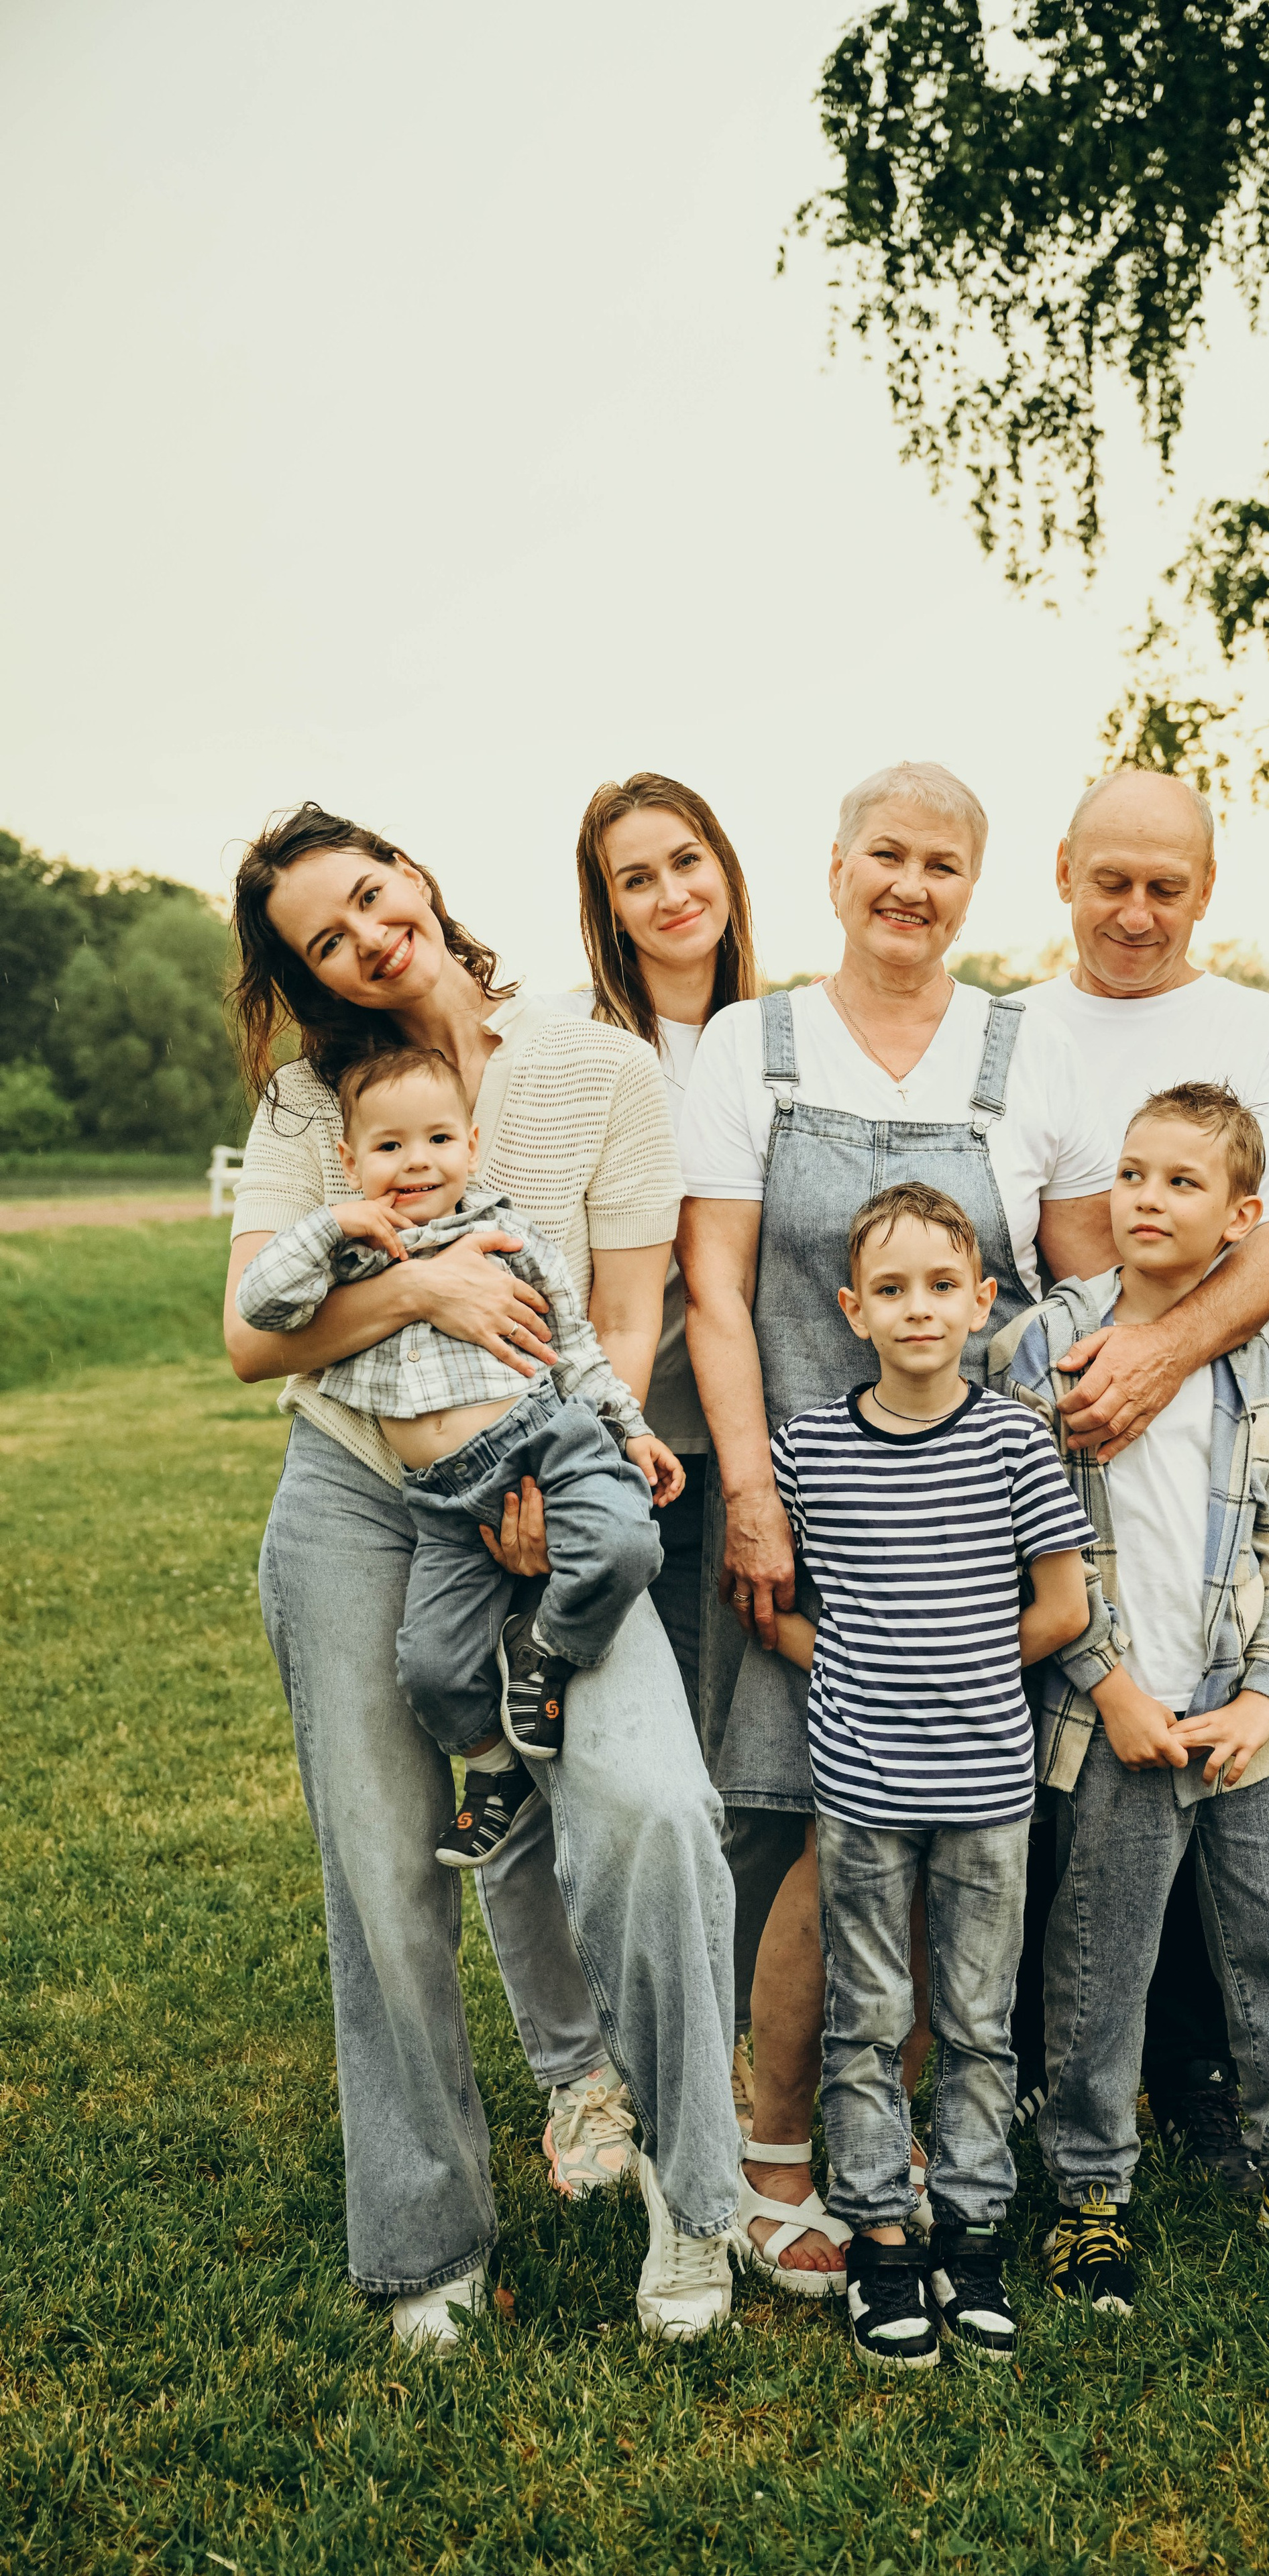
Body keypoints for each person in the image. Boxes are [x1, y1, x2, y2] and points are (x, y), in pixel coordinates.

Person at [223, 801, 739, 2351]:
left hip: (549, 1480)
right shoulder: (313, 1103)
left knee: (656, 1806)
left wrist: (558, 1471)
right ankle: (424, 2237)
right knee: (383, 1870)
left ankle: (692, 2196)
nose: (364, 937)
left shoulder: (601, 1066)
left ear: (415, 875)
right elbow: (253, 1335)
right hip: (356, 1490)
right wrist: (424, 1290)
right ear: (308, 975)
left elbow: (625, 1317)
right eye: (323, 938)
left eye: (368, 894)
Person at [677, 760, 1119, 2294]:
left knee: (939, 1836)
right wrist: (753, 1492)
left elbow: (1082, 1297)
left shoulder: (1030, 1050)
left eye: (940, 864)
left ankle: (894, 2143)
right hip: (809, 1509)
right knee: (814, 1837)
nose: (908, 887)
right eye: (885, 855)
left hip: (967, 1531)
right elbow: (714, 1293)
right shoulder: (754, 1045)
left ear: (971, 887)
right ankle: (772, 2144)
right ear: (835, 867)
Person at [993, 1082, 1269, 2298]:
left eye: (1183, 1182)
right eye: (1133, 1174)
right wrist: (1112, 1687)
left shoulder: (1252, 1365)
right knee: (1098, 1965)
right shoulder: (1048, 1345)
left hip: (1240, 1725)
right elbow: (1030, 1542)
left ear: (1240, 1219)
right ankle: (1089, 2196)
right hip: (1116, 1722)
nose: (1147, 1199)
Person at [1014, 769, 1269, 2185]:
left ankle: (1222, 2101)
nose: (1137, 913)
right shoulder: (1016, 1033)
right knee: (1082, 1863)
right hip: (1061, 1455)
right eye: (1112, 882)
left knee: (1237, 1871)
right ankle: (1066, 2119)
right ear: (1062, 872)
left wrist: (1158, 1361)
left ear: (1206, 888)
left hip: (1204, 1460)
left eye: (1167, 886)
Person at [463, 770, 764, 2200]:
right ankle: (583, 2071)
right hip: (596, 1459)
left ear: (727, 870)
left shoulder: (777, 1042)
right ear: (604, 907)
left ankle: (713, 2055)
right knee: (563, 1762)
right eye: (634, 877)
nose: (670, 894)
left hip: (739, 1455)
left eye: (685, 861)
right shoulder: (573, 1051)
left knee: (709, 1775)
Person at [766, 1183, 1095, 2367]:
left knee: (977, 2023)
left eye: (942, 1286)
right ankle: (880, 2241)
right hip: (861, 1790)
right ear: (853, 1310)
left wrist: (963, 1665)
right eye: (892, 1289)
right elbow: (776, 1605)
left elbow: (1064, 1608)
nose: (919, 1308)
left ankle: (970, 2236)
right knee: (867, 2019)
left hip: (988, 1790)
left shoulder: (1014, 1440)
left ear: (981, 1300)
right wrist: (860, 1663)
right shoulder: (809, 1451)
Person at [234, 1042, 679, 1869]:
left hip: (546, 1443)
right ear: (351, 1163)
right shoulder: (349, 1256)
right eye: (389, 1145)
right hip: (440, 1495)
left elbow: (575, 1347)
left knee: (625, 1544)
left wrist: (632, 1428)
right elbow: (259, 1308)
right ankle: (494, 1767)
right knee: (430, 1668)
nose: (416, 1161)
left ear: (470, 1146)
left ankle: (549, 1648)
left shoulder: (508, 1236)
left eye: (438, 1139)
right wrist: (332, 1224)